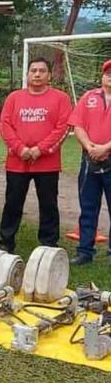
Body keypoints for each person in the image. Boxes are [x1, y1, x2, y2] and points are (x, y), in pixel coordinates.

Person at [0, 58, 72, 252]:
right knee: (13, 203)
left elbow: (63, 127)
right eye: (33, 70)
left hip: (47, 163)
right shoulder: (14, 97)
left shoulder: (61, 98)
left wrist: (41, 149)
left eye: (42, 71)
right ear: (27, 74)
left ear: (49, 75)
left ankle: (49, 243)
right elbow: (5, 125)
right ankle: (6, 241)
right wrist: (20, 148)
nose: (37, 74)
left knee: (48, 204)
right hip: (17, 161)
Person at [67, 58, 111, 265]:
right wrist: (90, 146)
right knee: (88, 207)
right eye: (108, 73)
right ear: (102, 76)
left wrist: (106, 148)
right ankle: (85, 251)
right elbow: (77, 124)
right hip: (89, 159)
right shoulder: (88, 97)